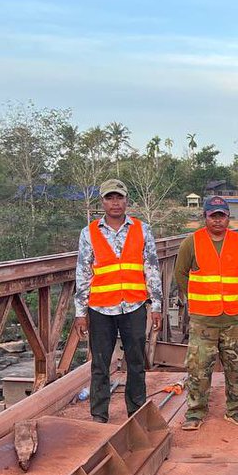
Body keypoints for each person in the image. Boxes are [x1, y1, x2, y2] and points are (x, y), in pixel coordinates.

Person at [73, 179, 165, 423]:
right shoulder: (89, 232)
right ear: (102, 201)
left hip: (134, 305)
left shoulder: (142, 229)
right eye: (110, 198)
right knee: (100, 363)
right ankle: (99, 414)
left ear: (126, 200)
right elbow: (83, 273)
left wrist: (156, 305)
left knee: (136, 361)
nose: (115, 203)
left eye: (119, 197)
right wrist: (79, 312)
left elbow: (152, 269)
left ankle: (136, 412)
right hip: (100, 308)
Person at [173, 196, 238, 430]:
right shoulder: (192, 242)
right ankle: (195, 413)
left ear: (228, 217)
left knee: (236, 366)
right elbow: (181, 274)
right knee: (199, 367)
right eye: (213, 216)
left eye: (222, 216)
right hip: (203, 319)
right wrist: (196, 298)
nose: (218, 221)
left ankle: (234, 410)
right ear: (205, 217)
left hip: (234, 318)